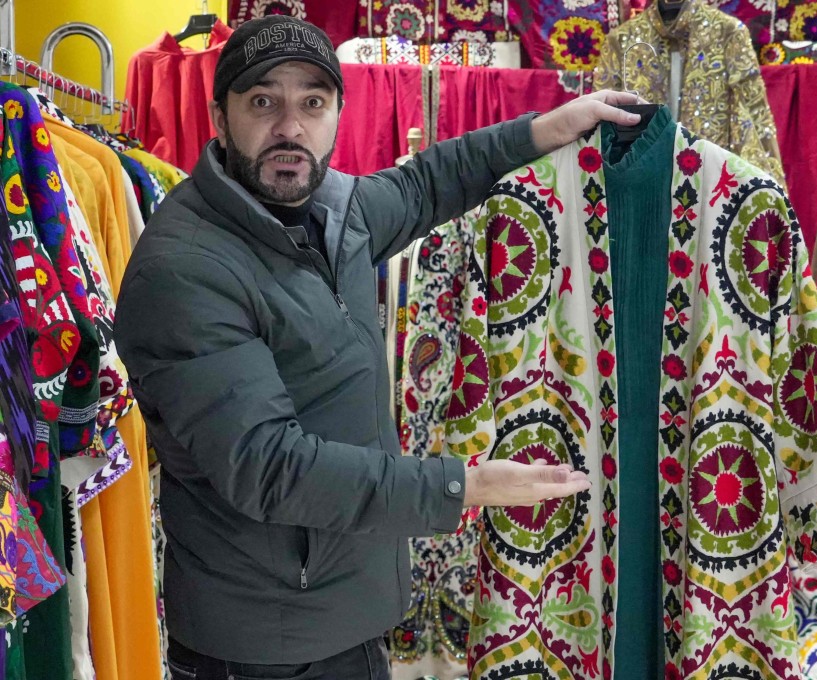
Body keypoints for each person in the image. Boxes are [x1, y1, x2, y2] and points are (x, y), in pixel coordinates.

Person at [114, 14, 643, 680]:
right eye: (263, 102)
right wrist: (465, 486)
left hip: (348, 613)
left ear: (338, 113)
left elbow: (428, 182)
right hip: (264, 645)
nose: (290, 127)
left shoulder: (337, 211)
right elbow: (269, 468)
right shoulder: (187, 268)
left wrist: (546, 129)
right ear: (220, 117)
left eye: (312, 103)